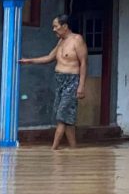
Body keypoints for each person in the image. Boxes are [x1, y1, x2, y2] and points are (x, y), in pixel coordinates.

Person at [20, 14, 88, 150]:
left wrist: (81, 86)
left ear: (65, 26)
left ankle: (54, 149)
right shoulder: (61, 41)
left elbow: (84, 63)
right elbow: (50, 57)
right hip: (59, 81)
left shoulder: (77, 39)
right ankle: (74, 149)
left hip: (72, 81)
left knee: (61, 115)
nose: (54, 29)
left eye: (56, 26)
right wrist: (29, 61)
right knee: (66, 117)